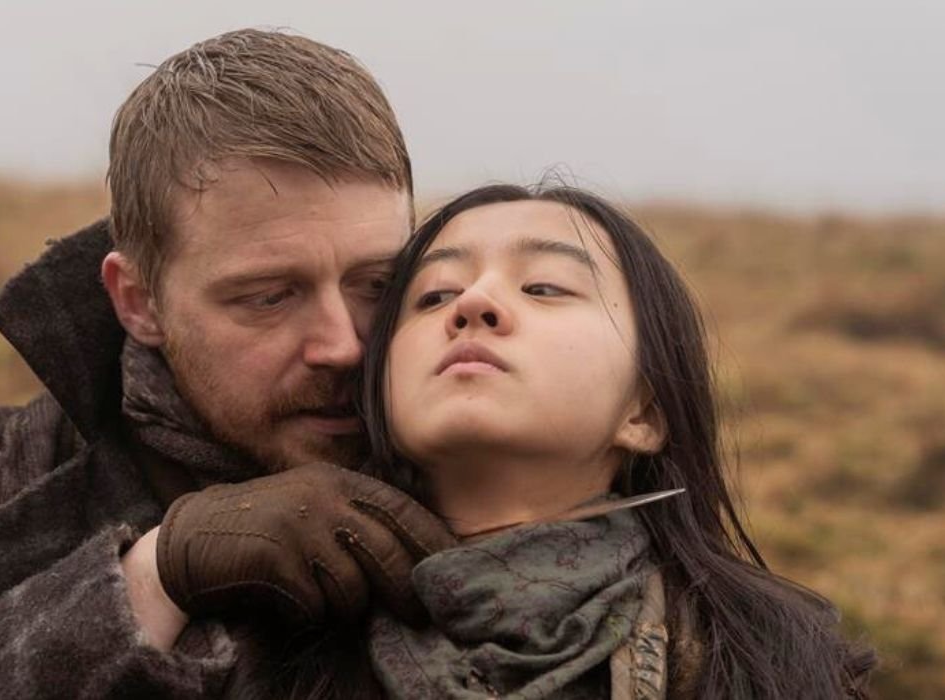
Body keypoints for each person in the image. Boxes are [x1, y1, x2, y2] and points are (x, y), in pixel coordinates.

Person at [0, 29, 454, 699]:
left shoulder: (492, 458)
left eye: (376, 284)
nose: (343, 346)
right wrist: (156, 575)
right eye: (269, 296)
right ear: (138, 300)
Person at [356, 184, 877, 698]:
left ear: (644, 411)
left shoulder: (767, 667)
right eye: (435, 296)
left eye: (543, 287)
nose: (472, 302)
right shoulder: (311, 625)